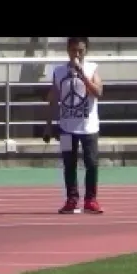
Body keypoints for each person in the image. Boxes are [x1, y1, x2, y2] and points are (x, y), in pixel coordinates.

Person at [44, 37, 104, 214]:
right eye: (73, 50)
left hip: (89, 127)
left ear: (86, 51)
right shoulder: (59, 71)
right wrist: (48, 125)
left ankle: (91, 199)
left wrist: (82, 74)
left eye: (80, 51)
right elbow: (52, 99)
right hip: (66, 128)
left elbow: (99, 92)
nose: (76, 54)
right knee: (68, 164)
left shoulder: (92, 68)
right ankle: (71, 199)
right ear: (67, 50)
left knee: (91, 163)